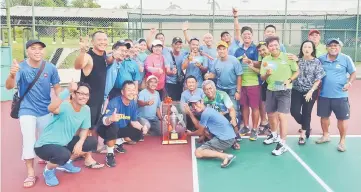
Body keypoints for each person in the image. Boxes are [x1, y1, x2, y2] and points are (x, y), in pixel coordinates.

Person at [5, 39, 61, 188]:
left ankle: (45, 160)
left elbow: (56, 87)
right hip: (26, 109)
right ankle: (30, 173)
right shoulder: (21, 68)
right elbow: (9, 87)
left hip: (45, 110)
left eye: (40, 48)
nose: (38, 51)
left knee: (45, 140)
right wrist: (11, 75)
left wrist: (60, 102)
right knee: (29, 141)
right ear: (27, 51)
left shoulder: (50, 68)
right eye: (33, 48)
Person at [34, 82, 103, 187]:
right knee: (63, 154)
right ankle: (48, 170)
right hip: (44, 145)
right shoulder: (65, 105)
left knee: (91, 142)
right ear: (74, 94)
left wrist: (80, 142)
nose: (84, 97)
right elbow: (50, 108)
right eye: (81, 93)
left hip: (64, 143)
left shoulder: (86, 109)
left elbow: (85, 129)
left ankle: (65, 163)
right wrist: (67, 90)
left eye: (86, 94)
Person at [74, 31, 116, 151]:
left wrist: (113, 57)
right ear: (93, 42)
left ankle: (90, 149)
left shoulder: (103, 55)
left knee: (93, 125)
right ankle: (78, 150)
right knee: (83, 127)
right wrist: (82, 51)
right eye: (99, 40)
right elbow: (78, 65)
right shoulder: (88, 56)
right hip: (87, 99)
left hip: (98, 98)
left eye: (105, 39)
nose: (103, 42)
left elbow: (107, 60)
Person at [260, 36, 299, 156]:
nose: (273, 47)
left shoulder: (288, 57)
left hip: (285, 90)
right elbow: (262, 77)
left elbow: (297, 71)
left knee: (282, 116)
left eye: (275, 45)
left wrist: (290, 80)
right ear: (268, 48)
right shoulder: (266, 60)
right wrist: (266, 74)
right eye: (271, 46)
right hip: (271, 89)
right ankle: (274, 135)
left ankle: (282, 143)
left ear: (279, 45)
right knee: (271, 115)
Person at [316, 38, 356, 152]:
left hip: (340, 95)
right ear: (327, 47)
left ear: (340, 47)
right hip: (323, 94)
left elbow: (353, 73)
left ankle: (342, 141)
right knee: (324, 117)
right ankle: (326, 135)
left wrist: (349, 83)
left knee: (342, 119)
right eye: (331, 45)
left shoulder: (346, 58)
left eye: (336, 45)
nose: (333, 47)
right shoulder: (321, 59)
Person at [97, 81, 149, 167]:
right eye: (129, 90)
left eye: (133, 90)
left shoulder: (132, 103)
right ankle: (110, 154)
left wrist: (142, 127)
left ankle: (118, 141)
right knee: (113, 126)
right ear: (122, 92)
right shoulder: (114, 103)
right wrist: (110, 119)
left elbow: (134, 121)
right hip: (106, 129)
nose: (131, 92)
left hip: (120, 129)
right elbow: (104, 120)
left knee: (139, 133)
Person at [184, 95, 237, 168]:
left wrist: (190, 133)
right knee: (206, 132)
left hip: (225, 140)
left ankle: (225, 156)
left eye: (196, 104)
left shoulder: (205, 113)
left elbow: (199, 131)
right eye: (193, 106)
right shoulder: (209, 110)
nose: (195, 107)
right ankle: (218, 148)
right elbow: (204, 129)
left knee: (198, 152)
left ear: (202, 102)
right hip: (230, 137)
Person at [290, 40, 325, 145]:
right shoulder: (296, 60)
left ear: (313, 49)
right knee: (294, 111)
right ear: (301, 48)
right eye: (305, 47)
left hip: (310, 91)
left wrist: (311, 91)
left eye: (309, 47)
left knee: (306, 112)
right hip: (296, 89)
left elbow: (318, 79)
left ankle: (302, 134)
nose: (307, 49)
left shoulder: (316, 62)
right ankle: (306, 125)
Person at [204, 41, 243, 137]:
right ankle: (222, 132)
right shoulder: (216, 61)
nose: (221, 51)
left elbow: (239, 76)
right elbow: (213, 74)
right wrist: (208, 75)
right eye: (219, 49)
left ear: (227, 50)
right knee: (220, 111)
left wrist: (238, 91)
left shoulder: (234, 60)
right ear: (217, 51)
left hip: (232, 89)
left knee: (234, 110)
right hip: (220, 89)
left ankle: (236, 133)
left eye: (223, 49)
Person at [234, 26, 261, 140]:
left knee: (254, 107)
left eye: (249, 34)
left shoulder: (256, 49)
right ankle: (245, 126)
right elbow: (235, 65)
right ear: (241, 36)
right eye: (244, 34)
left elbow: (260, 64)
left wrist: (250, 61)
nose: (247, 36)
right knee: (244, 106)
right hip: (241, 83)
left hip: (254, 83)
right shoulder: (238, 50)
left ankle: (254, 129)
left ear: (252, 36)